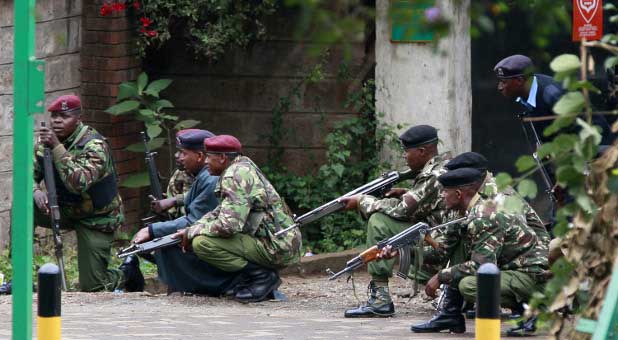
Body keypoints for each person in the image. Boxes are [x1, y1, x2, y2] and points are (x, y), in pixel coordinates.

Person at [411, 167, 548, 334]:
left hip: (533, 276)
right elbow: (444, 252)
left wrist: (441, 277)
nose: (441, 196)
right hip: (518, 270)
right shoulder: (476, 210)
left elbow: (480, 265)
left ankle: (533, 309)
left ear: (459, 194)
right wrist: (407, 251)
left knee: (470, 285)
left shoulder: (484, 217)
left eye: (445, 191)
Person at [33, 94, 143, 292]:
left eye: (64, 116)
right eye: (54, 116)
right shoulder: (43, 144)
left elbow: (78, 182)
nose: (57, 121)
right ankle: (19, 270)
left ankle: (127, 273)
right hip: (64, 209)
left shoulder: (95, 146)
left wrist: (57, 146)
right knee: (22, 206)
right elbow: (26, 174)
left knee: (92, 286)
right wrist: (34, 191)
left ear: (78, 118)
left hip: (97, 218)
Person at [339, 124, 451, 318]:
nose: (404, 157)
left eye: (407, 152)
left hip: (441, 247)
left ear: (422, 151)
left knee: (379, 221)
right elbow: (430, 203)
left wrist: (361, 200)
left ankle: (380, 299)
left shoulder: (432, 176)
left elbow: (402, 210)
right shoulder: (444, 167)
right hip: (448, 243)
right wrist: (405, 193)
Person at [174, 135, 302, 303]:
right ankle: (251, 278)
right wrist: (195, 226)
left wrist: (193, 232)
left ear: (222, 158)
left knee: (202, 243)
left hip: (276, 246)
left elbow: (229, 226)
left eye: (209, 157)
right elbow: (220, 211)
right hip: (280, 240)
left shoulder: (233, 176)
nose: (205, 162)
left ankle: (262, 277)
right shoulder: (242, 166)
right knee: (200, 235)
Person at [130, 129, 240, 295]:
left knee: (168, 242)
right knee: (165, 239)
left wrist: (152, 230)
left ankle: (204, 287)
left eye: (183, 153)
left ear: (200, 156)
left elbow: (194, 221)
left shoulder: (210, 179)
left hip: (225, 240)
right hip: (215, 233)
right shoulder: (201, 176)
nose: (177, 157)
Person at [494, 54, 613, 144]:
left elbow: (581, 132)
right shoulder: (527, 91)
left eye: (504, 82)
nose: (500, 87)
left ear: (520, 81)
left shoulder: (552, 95)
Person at [150, 129, 198, 219]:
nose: (176, 155)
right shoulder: (180, 174)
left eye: (183, 152)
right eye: (178, 151)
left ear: (200, 155)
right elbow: (172, 213)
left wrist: (175, 200)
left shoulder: (212, 175)